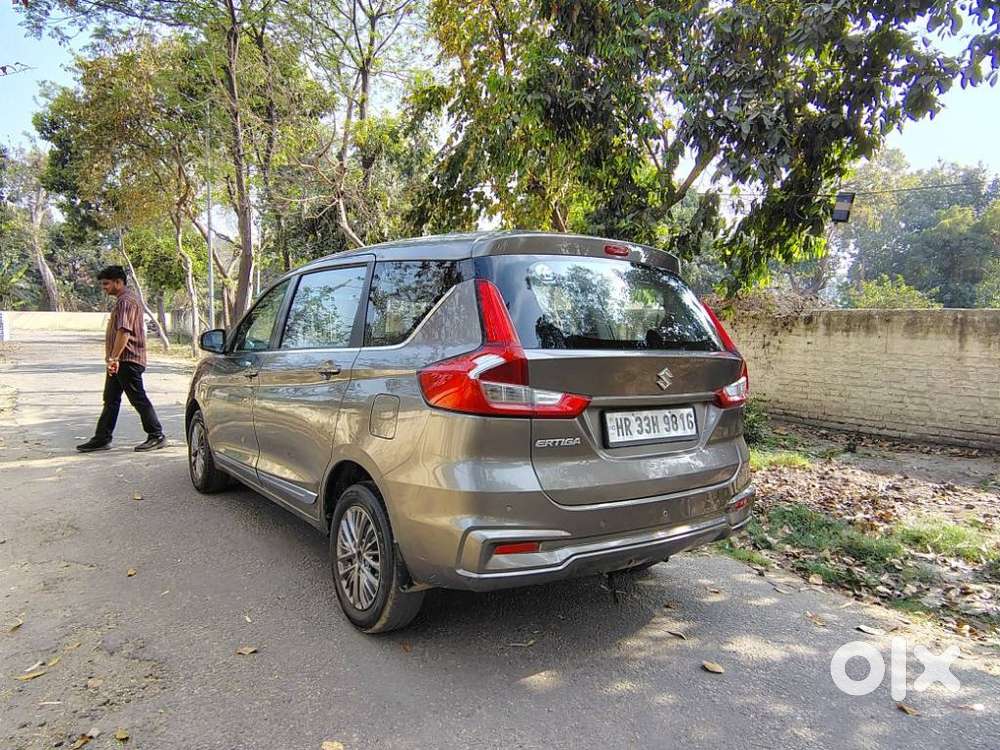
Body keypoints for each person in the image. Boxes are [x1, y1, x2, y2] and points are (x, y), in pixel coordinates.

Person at [76, 266, 166, 453]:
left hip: (127, 359)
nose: (104, 288)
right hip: (120, 360)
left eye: (106, 284)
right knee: (111, 399)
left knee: (137, 398)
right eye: (102, 284)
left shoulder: (126, 301)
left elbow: (124, 331)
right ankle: (102, 438)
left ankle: (156, 435)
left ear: (119, 282)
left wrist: (114, 358)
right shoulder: (123, 301)